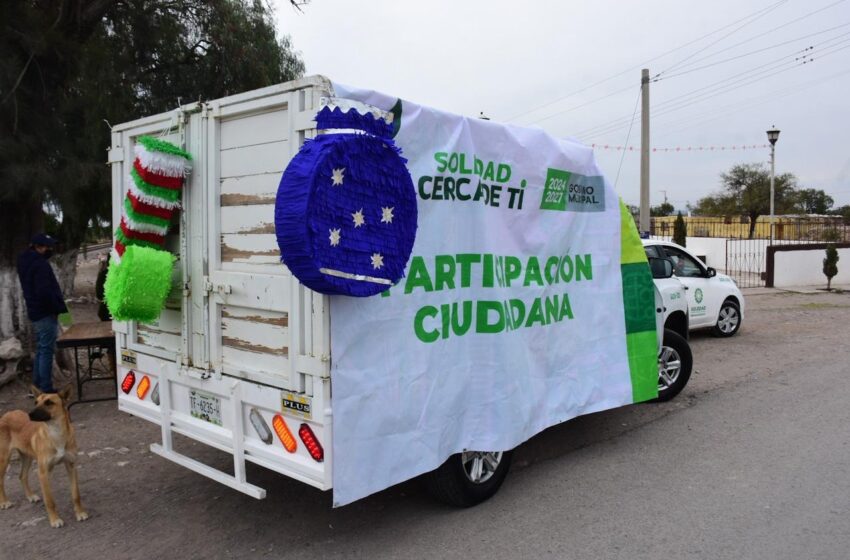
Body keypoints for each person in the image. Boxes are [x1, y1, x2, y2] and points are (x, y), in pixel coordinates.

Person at [17, 233, 68, 394]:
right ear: (38, 247)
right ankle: (45, 387)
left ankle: (36, 386)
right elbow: (44, 291)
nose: (49, 250)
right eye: (47, 247)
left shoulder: (25, 262)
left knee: (41, 349)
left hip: (35, 311)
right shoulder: (40, 265)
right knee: (46, 350)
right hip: (45, 312)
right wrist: (56, 308)